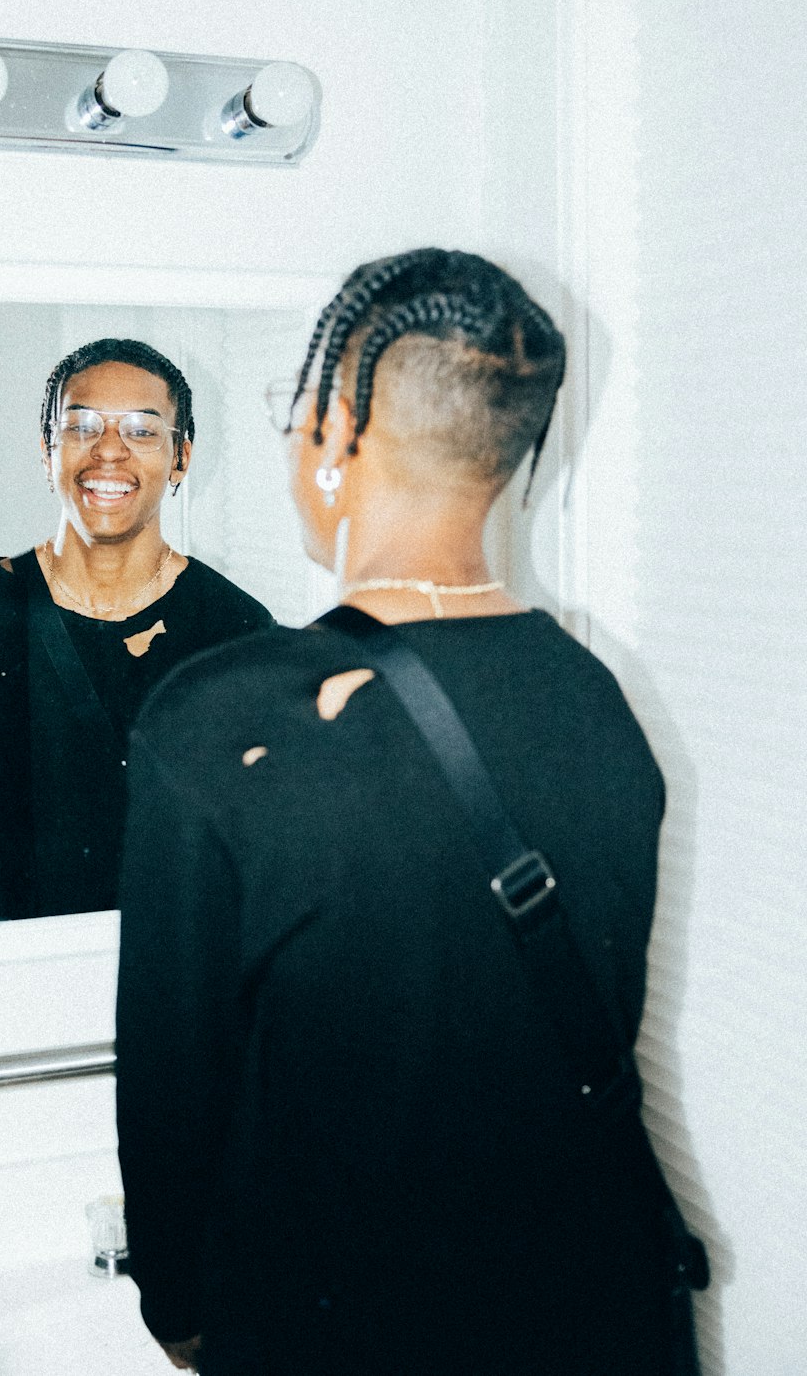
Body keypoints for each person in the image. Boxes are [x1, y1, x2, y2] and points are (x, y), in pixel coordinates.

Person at [115, 252, 680, 1374]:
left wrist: (180, 1305)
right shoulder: (598, 702)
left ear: (333, 430)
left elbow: (173, 1087)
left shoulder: (218, 717)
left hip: (336, 1321)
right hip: (585, 1310)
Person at [0, 336, 273, 920]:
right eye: (82, 426)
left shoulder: (235, 628)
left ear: (181, 458)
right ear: (48, 451)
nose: (109, 451)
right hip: (9, 959)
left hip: (172, 956)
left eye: (142, 430)